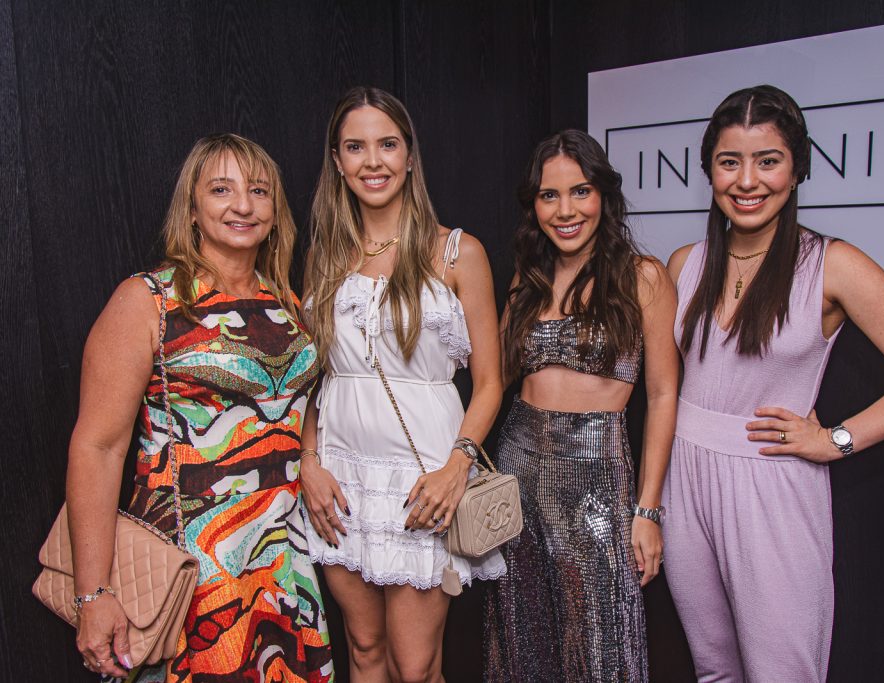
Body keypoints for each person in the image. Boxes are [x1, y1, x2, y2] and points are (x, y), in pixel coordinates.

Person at [662, 84, 884, 683]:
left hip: (771, 485)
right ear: (710, 172)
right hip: (685, 479)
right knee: (714, 670)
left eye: (768, 160)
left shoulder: (833, 265)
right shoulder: (684, 263)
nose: (747, 180)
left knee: (782, 673)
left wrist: (836, 440)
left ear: (797, 168)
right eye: (730, 162)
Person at [66, 134, 333, 681]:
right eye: (221, 189)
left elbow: (296, 404)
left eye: (259, 191)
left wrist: (308, 456)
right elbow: (97, 448)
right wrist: (92, 594)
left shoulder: (287, 303)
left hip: (284, 561)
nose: (242, 204)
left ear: (275, 211)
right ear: (192, 208)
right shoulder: (149, 300)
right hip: (193, 569)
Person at [298, 86, 506, 683]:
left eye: (387, 144)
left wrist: (456, 467)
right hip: (340, 478)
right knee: (363, 651)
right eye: (355, 147)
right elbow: (311, 377)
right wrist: (308, 461)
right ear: (337, 162)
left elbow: (490, 383)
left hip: (423, 480)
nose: (373, 161)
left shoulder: (458, 253)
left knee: (414, 668)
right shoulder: (324, 257)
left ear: (410, 156)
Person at [483, 129, 679, 682]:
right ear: (534, 204)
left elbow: (663, 396)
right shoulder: (529, 275)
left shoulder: (643, 276)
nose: (565, 210)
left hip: (596, 478)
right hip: (518, 466)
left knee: (601, 644)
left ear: (604, 197)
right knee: (523, 634)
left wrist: (647, 510)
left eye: (581, 191)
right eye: (550, 195)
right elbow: (495, 378)